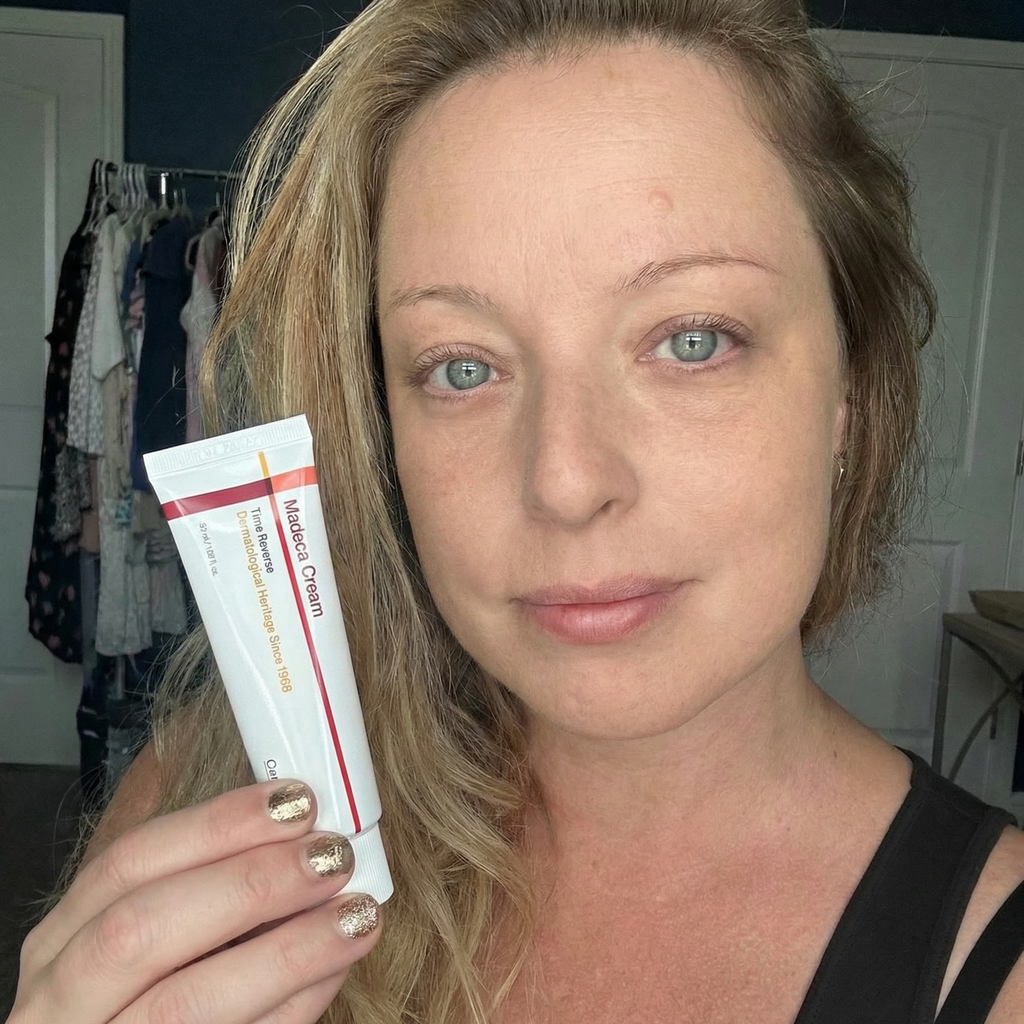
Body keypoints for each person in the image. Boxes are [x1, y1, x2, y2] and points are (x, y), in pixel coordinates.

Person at [10, 0, 1024, 1021]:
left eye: (692, 340)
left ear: (850, 388)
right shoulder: (212, 797)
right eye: (462, 367)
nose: (566, 482)